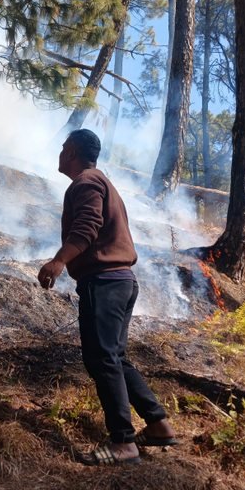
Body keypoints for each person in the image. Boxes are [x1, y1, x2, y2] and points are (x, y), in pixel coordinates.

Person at [38, 129, 178, 466]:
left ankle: (123, 442)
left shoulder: (85, 182)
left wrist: (59, 261)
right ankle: (158, 424)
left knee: (101, 359)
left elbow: (86, 226)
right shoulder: (102, 181)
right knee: (113, 357)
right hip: (121, 280)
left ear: (71, 151)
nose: (59, 154)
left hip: (104, 280)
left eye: (62, 148)